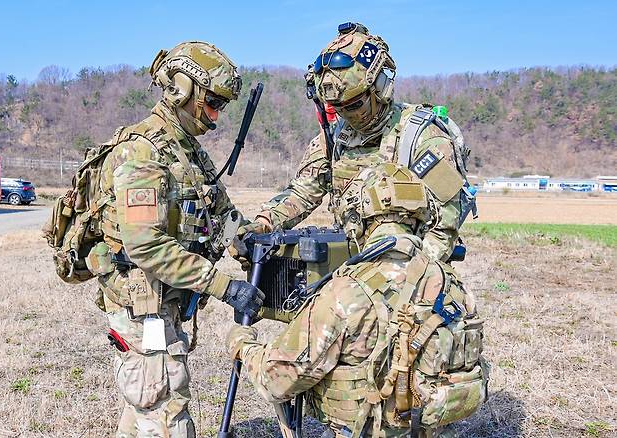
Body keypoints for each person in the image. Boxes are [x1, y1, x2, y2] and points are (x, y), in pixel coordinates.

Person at [228, 163, 488, 437]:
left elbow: (277, 381)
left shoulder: (345, 293)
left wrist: (243, 344)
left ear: (357, 217)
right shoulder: (451, 283)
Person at [89, 42, 264, 437]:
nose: (217, 116)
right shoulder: (143, 152)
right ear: (183, 89)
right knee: (166, 408)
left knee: (146, 407)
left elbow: (223, 214)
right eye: (213, 102)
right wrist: (223, 285)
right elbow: (145, 245)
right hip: (143, 308)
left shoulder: (188, 152)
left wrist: (253, 245)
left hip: (166, 302)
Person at [237, 22, 472, 262]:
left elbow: (445, 222)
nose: (347, 115)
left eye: (354, 104)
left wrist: (415, 267)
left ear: (380, 88)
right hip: (351, 269)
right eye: (338, 108)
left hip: (406, 270)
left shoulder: (421, 135)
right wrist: (264, 223)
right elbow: (303, 192)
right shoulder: (334, 138)